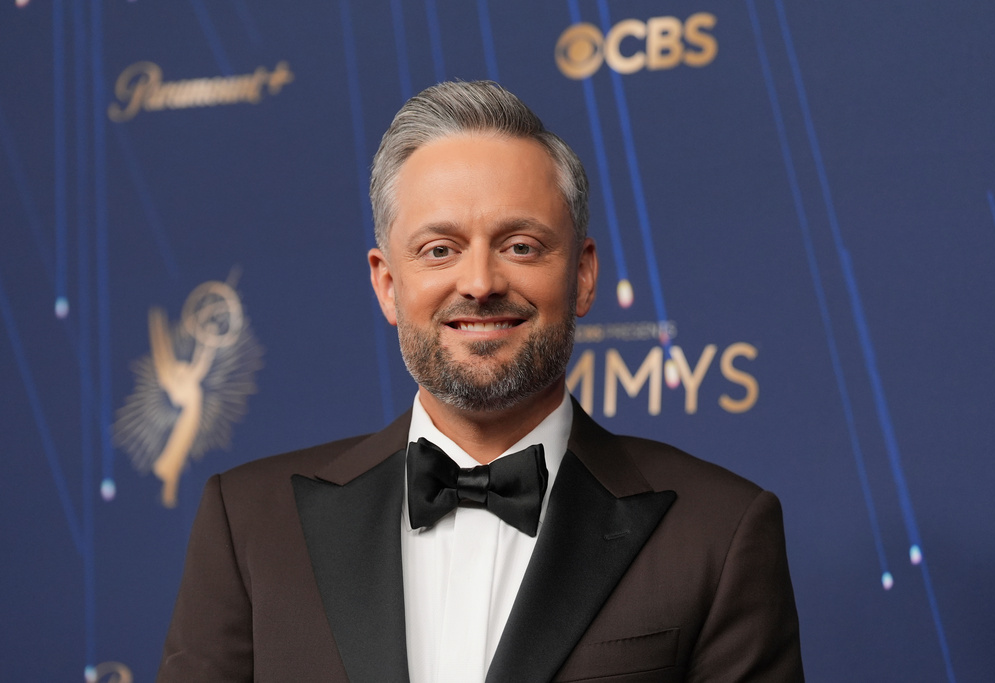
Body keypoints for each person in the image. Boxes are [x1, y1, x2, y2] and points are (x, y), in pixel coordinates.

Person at [157, 80, 803, 682]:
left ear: (582, 275)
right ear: (387, 282)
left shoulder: (718, 533)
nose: (480, 282)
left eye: (520, 245)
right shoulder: (249, 526)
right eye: (439, 249)